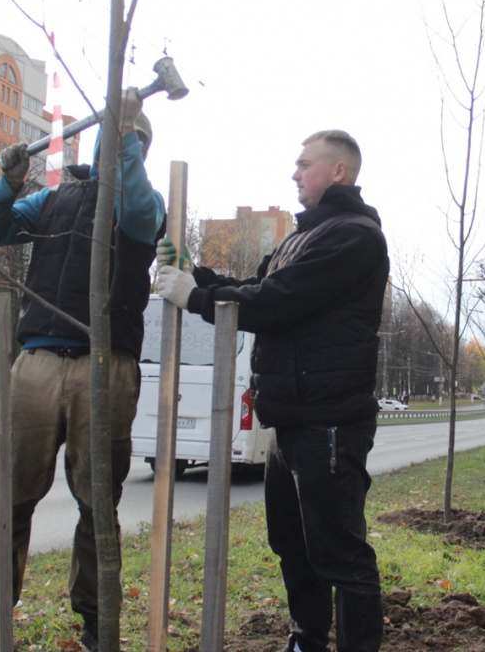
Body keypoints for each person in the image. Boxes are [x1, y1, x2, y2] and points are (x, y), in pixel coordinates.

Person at [155, 129, 388, 652]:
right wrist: (196, 274)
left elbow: (277, 302)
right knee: (292, 544)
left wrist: (194, 297)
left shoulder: (354, 236)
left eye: (305, 163)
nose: (294, 172)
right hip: (291, 418)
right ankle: (307, 641)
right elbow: (255, 292)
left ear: (338, 171)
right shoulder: (300, 239)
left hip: (329, 422)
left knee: (339, 554)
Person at [0, 89, 164, 652]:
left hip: (107, 365)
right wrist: (8, 181)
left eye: (134, 143)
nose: (125, 150)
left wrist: (122, 135)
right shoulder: (51, 201)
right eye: (122, 138)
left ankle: (97, 622)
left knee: (98, 504)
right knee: (11, 498)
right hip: (39, 363)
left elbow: (135, 212)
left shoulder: (145, 204)